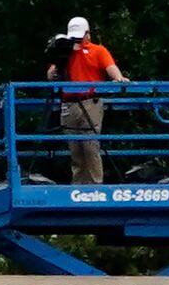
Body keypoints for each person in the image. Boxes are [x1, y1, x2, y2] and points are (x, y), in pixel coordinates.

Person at [49, 14, 122, 183]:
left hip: (91, 102)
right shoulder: (65, 53)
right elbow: (51, 74)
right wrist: (59, 57)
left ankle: (95, 186)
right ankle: (79, 186)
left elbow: (110, 67)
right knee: (75, 151)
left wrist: (119, 78)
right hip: (69, 104)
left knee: (90, 146)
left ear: (88, 34)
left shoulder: (98, 50)